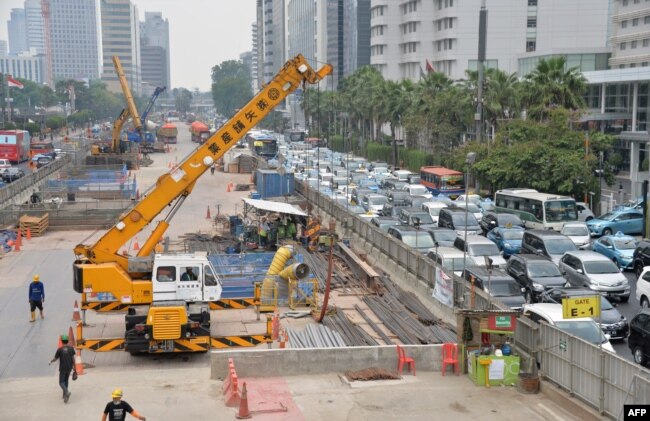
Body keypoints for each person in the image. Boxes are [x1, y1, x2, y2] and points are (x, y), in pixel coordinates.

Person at [49, 334, 76, 403]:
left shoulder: (60, 350)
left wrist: (51, 361)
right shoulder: (71, 348)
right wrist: (75, 369)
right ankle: (65, 396)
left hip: (63, 368)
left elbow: (55, 358)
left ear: (62, 341)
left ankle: (66, 392)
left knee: (61, 382)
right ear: (67, 341)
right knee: (66, 381)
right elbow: (73, 359)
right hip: (69, 368)